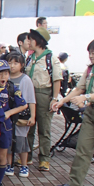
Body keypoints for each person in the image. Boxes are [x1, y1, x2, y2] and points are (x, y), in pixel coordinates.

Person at [54, 38, 94, 186]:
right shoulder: (91, 70)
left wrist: (87, 97)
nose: (91, 55)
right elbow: (79, 89)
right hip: (90, 112)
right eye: (89, 52)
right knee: (83, 147)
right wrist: (62, 101)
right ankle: (75, 182)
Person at [0, 60, 28, 186]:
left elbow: (23, 105)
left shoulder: (12, 89)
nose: (3, 77)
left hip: (5, 127)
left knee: (1, 156)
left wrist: (9, 113)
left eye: (6, 73)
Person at [25, 27, 62, 171]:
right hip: (30, 94)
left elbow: (57, 80)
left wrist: (54, 98)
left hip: (44, 95)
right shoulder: (30, 58)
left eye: (31, 39)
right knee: (29, 126)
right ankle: (26, 155)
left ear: (39, 41)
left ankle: (44, 159)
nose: (29, 41)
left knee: (44, 129)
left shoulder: (50, 58)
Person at [6, 52, 36, 177]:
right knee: (8, 141)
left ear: (22, 65)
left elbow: (31, 100)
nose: (12, 66)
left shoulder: (26, 80)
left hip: (22, 115)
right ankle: (9, 164)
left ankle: (24, 165)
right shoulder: (5, 78)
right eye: (10, 62)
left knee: (21, 140)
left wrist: (33, 116)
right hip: (8, 115)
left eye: (15, 63)